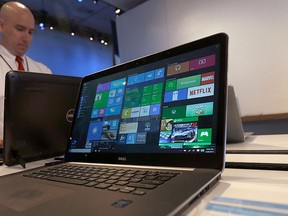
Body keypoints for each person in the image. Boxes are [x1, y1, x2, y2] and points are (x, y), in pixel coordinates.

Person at [0, 1, 52, 149]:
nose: (26, 38)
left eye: (30, 32)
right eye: (20, 29)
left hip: (38, 151)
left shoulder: (43, 71)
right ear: (1, 26)